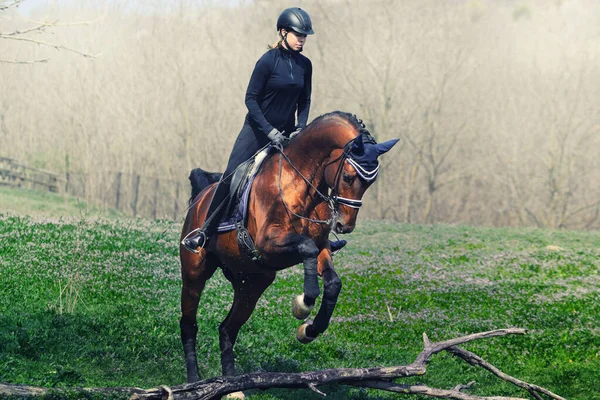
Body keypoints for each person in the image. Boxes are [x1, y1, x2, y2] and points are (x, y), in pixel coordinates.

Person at [182, 7, 346, 254]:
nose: (302, 39)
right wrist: (269, 132)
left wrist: (300, 127)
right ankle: (205, 231)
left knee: (312, 176)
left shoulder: (306, 65)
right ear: (283, 32)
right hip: (257, 131)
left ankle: (321, 236)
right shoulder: (268, 61)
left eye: (305, 36)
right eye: (298, 34)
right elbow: (250, 99)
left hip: (289, 133)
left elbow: (305, 101)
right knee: (231, 175)